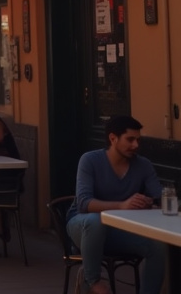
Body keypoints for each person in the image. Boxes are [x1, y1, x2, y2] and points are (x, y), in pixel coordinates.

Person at [66, 116, 166, 294]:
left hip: (119, 231)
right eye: (130, 139)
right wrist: (122, 205)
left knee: (158, 245)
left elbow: (160, 198)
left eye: (138, 140)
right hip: (83, 227)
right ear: (113, 138)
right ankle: (93, 282)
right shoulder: (89, 160)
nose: (136, 145)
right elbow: (84, 203)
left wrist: (149, 202)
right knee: (95, 221)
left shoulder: (143, 165)